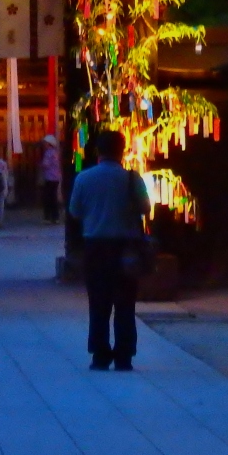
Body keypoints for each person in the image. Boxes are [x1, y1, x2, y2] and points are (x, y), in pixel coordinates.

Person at [68, 129, 151, 372]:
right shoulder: (132, 179)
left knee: (99, 302)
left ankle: (100, 354)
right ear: (122, 151)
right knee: (125, 303)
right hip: (126, 247)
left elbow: (75, 211)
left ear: (98, 151)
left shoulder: (84, 178)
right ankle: (124, 355)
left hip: (95, 246)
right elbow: (146, 208)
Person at [40, 134, 63, 224]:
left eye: (45, 143)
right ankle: (55, 216)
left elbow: (46, 164)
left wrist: (40, 165)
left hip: (49, 177)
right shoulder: (56, 152)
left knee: (48, 197)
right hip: (56, 177)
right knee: (53, 197)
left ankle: (48, 217)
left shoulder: (48, 153)